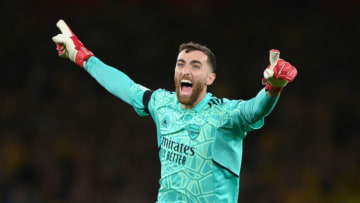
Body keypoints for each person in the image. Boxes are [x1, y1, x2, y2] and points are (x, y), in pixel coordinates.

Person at [52, 19, 297, 202]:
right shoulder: (162, 103)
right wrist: (83, 57)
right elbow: (125, 86)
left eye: (195, 65)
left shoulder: (224, 114)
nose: (185, 70)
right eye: (181, 64)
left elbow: (253, 110)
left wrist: (273, 88)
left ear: (210, 77)